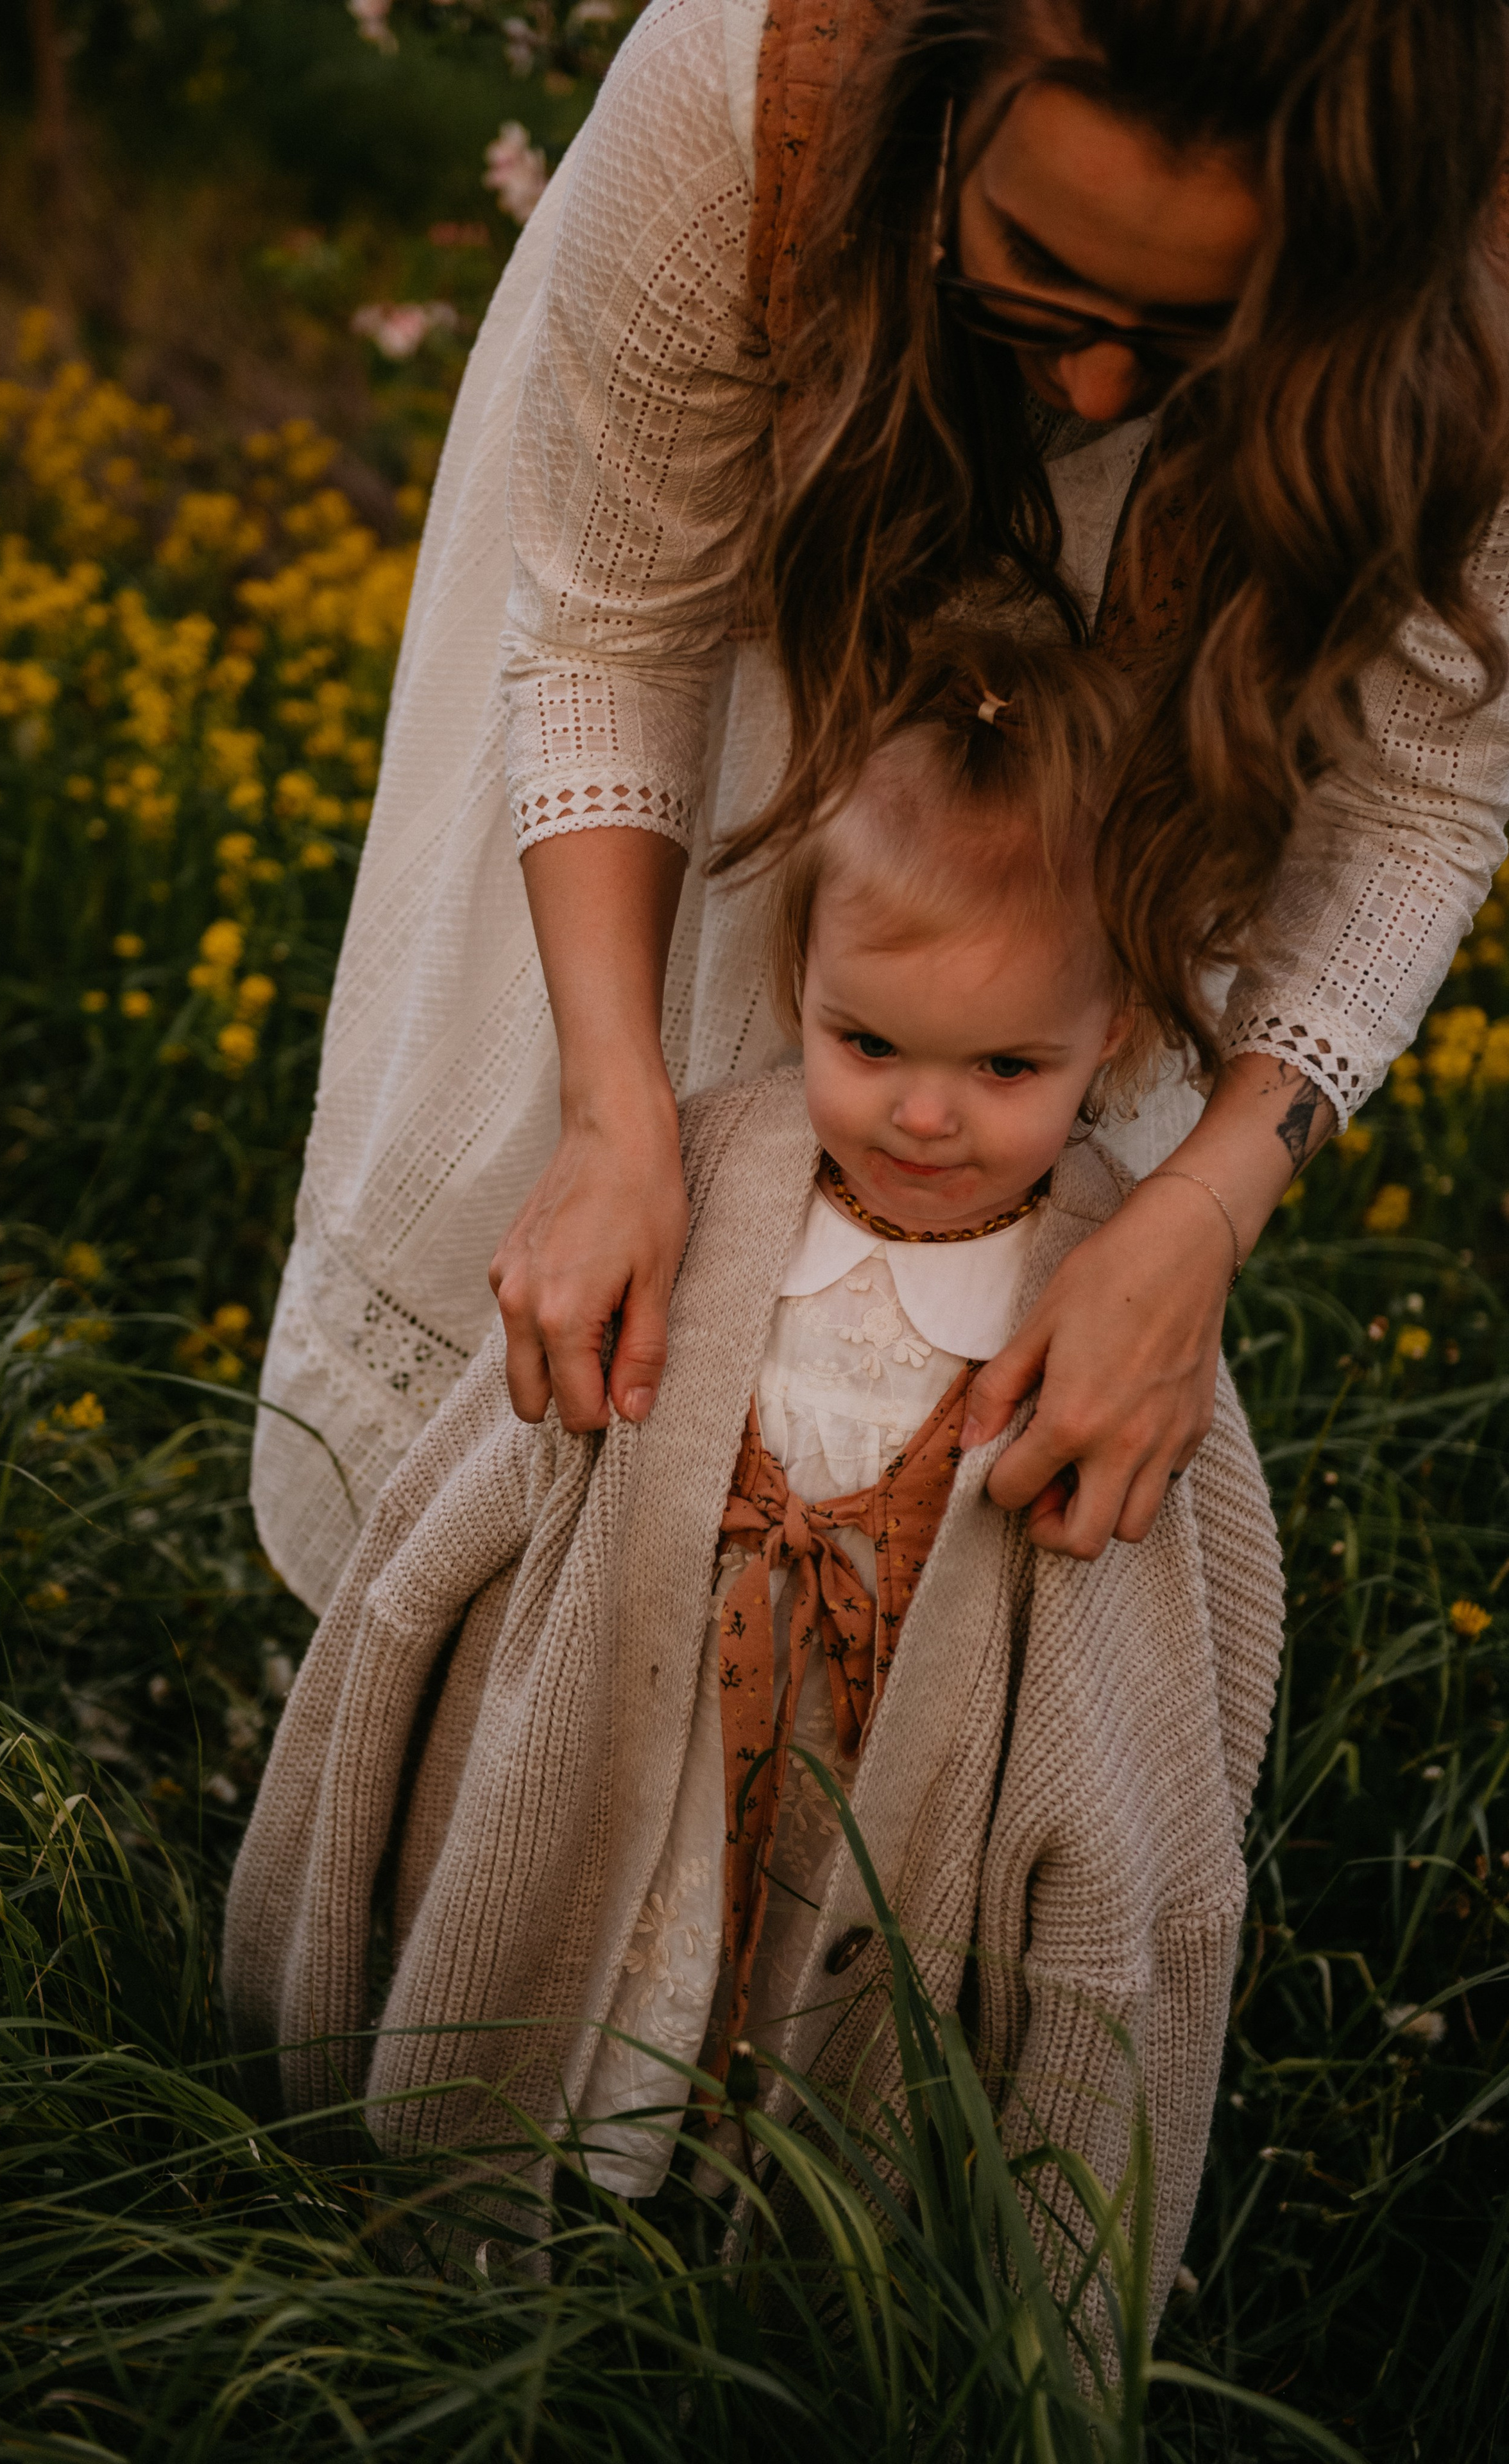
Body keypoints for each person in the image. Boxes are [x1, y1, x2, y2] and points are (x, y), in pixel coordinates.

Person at [251, 0, 1509, 1620]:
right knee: (579, 1197)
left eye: (1194, 323)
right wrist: (611, 1107)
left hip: (1129, 717)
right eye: (1035, 271)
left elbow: (1416, 799)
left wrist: (1199, 1216)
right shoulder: (747, 84)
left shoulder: (1467, 267)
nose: (1102, 381)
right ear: (939, 98)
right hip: (756, 556)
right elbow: (610, 634)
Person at [225, 631, 1284, 2323]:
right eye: (868, 1045)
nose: (929, 1117)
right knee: (608, 1984)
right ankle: (507, 2239)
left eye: (1008, 1071)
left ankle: (765, 2300)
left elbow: (1170, 1682)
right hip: (635, 1754)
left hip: (887, 1792)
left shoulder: (1113, 1310)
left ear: (1119, 1040)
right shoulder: (698, 1188)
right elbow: (444, 1533)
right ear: (796, 986)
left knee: (817, 2035)